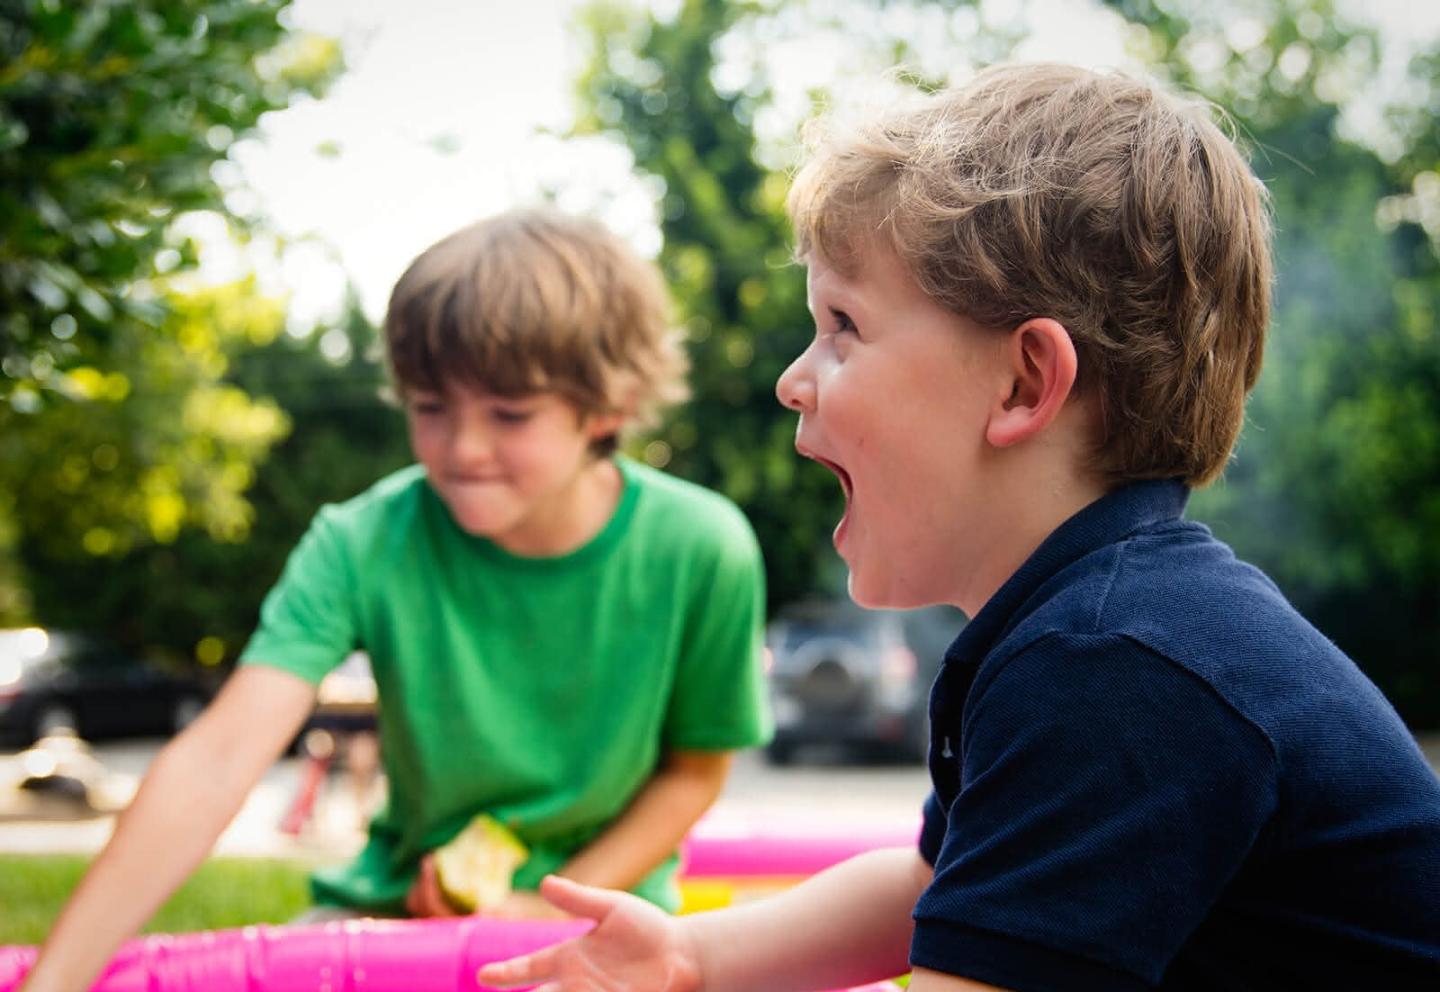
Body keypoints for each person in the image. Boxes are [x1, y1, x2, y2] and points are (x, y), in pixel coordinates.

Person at [477, 63, 1440, 991]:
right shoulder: (1095, 626)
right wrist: (693, 959)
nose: (792, 379)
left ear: (1023, 383)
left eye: (843, 326)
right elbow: (932, 887)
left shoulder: (1115, 667)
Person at [20, 209, 771, 991]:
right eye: (429, 407)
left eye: (510, 414)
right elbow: (218, 759)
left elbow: (694, 772)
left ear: (608, 407)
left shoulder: (702, 547)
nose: (463, 448)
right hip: (391, 913)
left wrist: (543, 906)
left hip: (606, 923)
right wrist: (54, 984)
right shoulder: (360, 541)